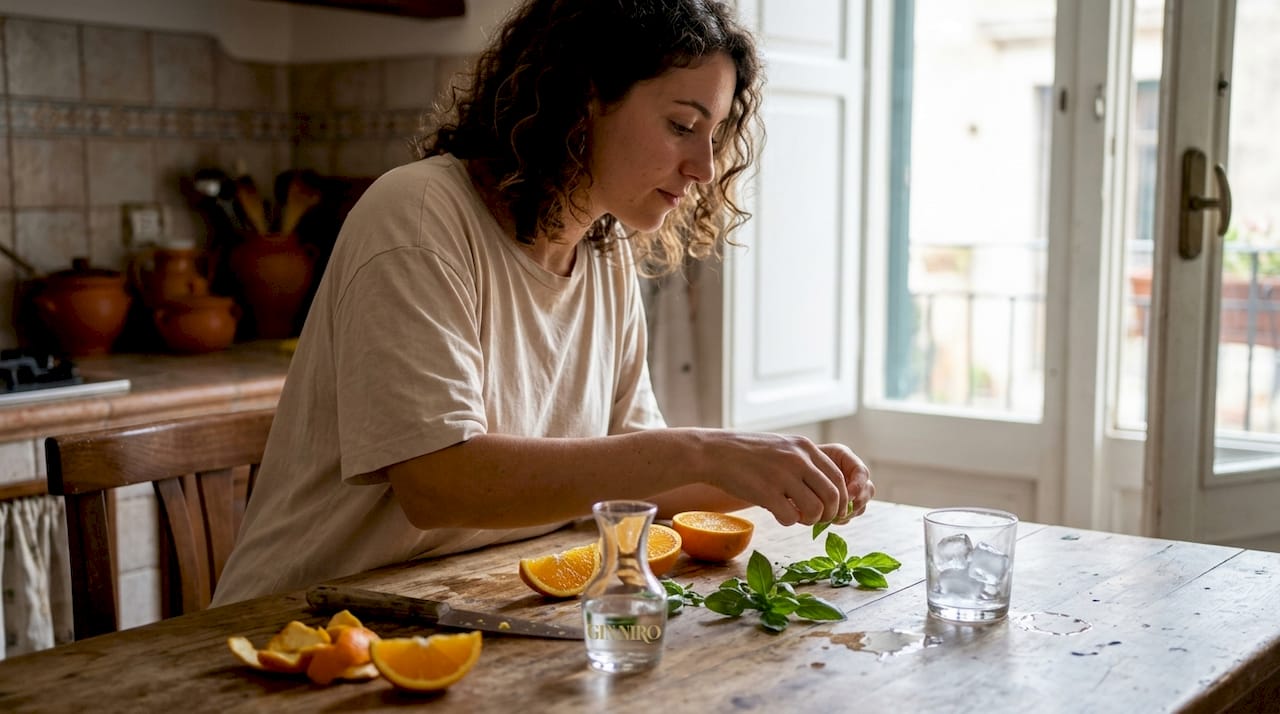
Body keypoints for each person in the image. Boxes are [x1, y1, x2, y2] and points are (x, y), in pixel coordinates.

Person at [212, 0, 873, 606]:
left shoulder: (605, 252)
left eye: (715, 133)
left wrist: (777, 470)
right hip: (295, 624)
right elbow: (438, 483)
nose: (704, 166)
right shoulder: (417, 215)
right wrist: (702, 451)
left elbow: (632, 476)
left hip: (453, 607)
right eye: (681, 124)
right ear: (586, 96)